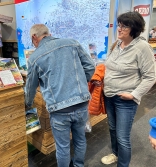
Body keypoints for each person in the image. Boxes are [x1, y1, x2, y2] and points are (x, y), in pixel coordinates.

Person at [25, 24, 95, 167]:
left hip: (59, 110)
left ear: (34, 37)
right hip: (81, 103)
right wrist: (80, 84)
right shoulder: (72, 43)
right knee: (80, 140)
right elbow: (90, 66)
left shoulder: (34, 58)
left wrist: (27, 102)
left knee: (62, 147)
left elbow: (30, 87)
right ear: (48, 33)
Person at [101, 11, 156, 167]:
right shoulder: (116, 44)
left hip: (125, 100)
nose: (119, 29)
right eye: (119, 25)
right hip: (109, 95)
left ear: (135, 29)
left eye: (125, 26)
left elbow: (150, 77)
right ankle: (115, 154)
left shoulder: (142, 47)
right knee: (112, 129)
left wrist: (133, 95)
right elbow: (110, 67)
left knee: (122, 136)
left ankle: (123, 164)